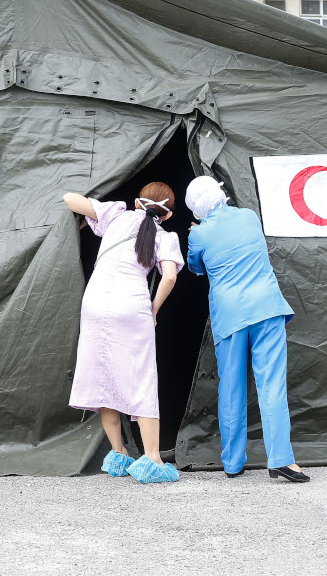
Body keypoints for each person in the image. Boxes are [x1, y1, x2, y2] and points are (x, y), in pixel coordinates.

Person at [185, 176, 309, 483]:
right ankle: (282, 459)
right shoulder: (249, 217)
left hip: (230, 315)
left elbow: (196, 268)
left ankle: (233, 462)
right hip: (267, 307)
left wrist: (196, 235)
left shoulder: (199, 234)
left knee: (232, 388)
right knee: (272, 385)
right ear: (220, 194)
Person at [63, 183, 184, 484]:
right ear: (168, 215)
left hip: (94, 302)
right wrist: (153, 310)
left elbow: (70, 198)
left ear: (135, 201)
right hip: (131, 306)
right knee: (141, 379)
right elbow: (169, 275)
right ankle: (152, 458)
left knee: (104, 374)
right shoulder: (166, 236)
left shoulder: (115, 214)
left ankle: (118, 453)